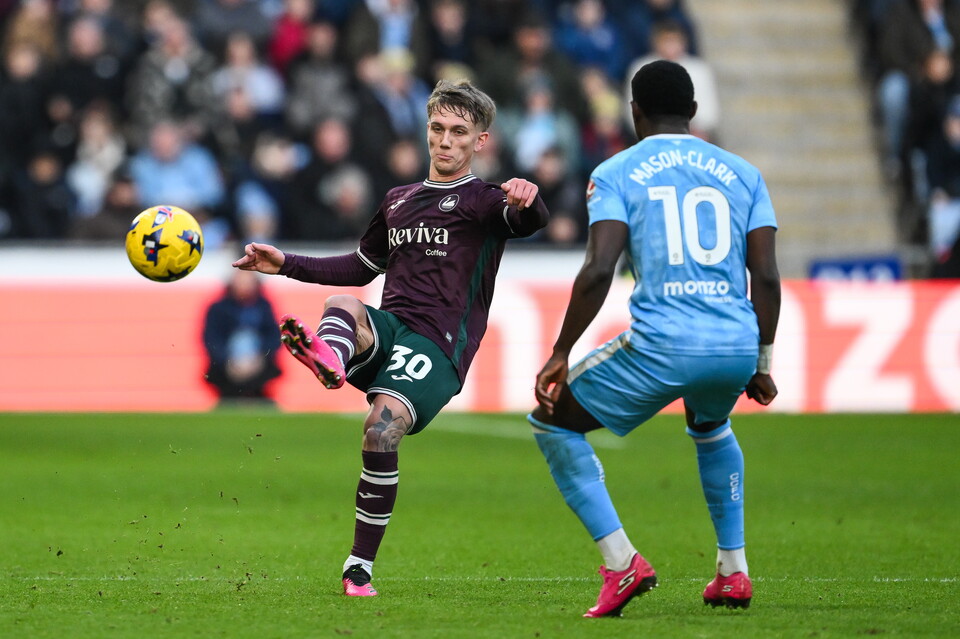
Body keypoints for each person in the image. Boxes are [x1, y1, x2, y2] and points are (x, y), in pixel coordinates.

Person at [231, 79, 549, 597]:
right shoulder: (399, 200)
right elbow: (361, 265)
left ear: (480, 141)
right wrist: (284, 262)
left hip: (439, 345)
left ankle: (359, 567)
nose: (445, 140)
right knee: (344, 304)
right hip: (392, 327)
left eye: (459, 132)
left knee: (379, 433)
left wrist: (529, 199)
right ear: (426, 130)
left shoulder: (485, 201)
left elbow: (527, 221)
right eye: (438, 128)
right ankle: (331, 359)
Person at [527, 60, 780, 617]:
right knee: (710, 425)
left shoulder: (616, 171)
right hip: (735, 343)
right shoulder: (745, 173)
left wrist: (561, 351)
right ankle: (733, 570)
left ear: (634, 112)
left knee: (552, 421)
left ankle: (622, 562)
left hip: (664, 342)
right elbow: (765, 276)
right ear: (693, 111)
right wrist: (761, 362)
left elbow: (599, 268)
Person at [202, 268, 282, 405]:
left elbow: (274, 336)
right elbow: (212, 339)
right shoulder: (218, 308)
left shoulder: (264, 307)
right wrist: (228, 361)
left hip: (259, 364)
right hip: (225, 366)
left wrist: (259, 358)